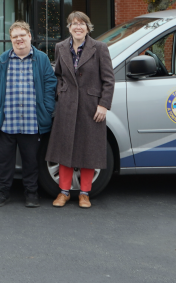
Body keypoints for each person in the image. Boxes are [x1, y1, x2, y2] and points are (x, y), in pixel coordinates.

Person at [46, 11, 113, 209]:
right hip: (66, 106)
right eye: (74, 24)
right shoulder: (60, 47)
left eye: (82, 24)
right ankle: (64, 192)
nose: (78, 27)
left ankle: (84, 194)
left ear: (87, 27)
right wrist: (62, 91)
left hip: (91, 107)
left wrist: (103, 105)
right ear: (69, 27)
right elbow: (57, 75)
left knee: (88, 150)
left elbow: (109, 79)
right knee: (64, 149)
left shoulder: (99, 48)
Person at [0, 21, 56, 208]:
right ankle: (2, 193)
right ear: (11, 40)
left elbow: (50, 85)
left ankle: (31, 194)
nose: (19, 40)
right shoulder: (2, 60)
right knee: (3, 162)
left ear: (29, 36)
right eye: (15, 37)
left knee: (31, 162)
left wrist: (48, 109)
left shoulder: (41, 59)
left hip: (32, 123)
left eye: (22, 35)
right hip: (6, 122)